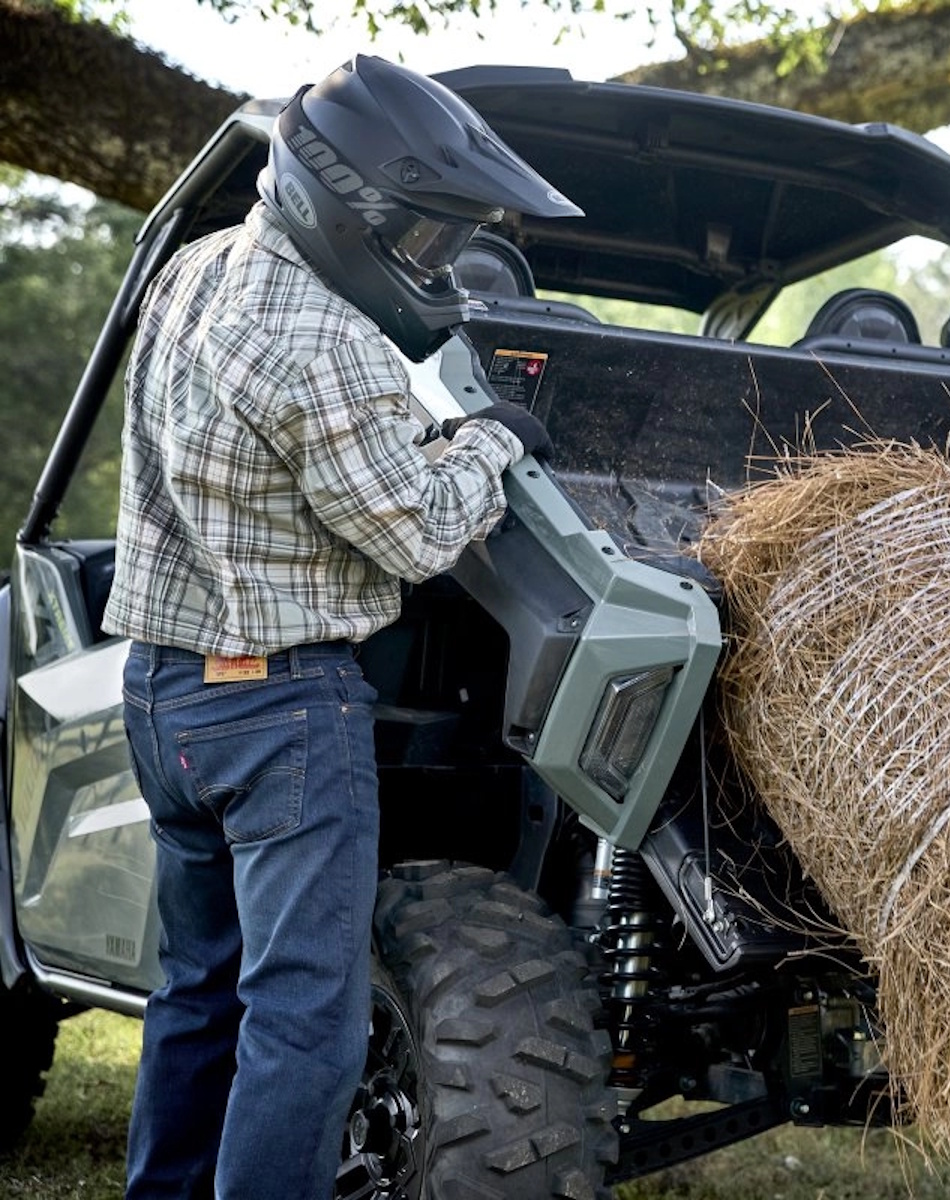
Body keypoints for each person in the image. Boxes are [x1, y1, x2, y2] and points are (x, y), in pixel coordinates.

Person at [103, 55, 579, 1200]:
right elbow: (421, 533)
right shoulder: (328, 341)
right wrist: (495, 437)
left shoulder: (193, 267)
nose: (432, 262)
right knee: (305, 1019)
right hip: (278, 713)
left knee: (198, 992)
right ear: (344, 203)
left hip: (163, 696)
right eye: (420, 234)